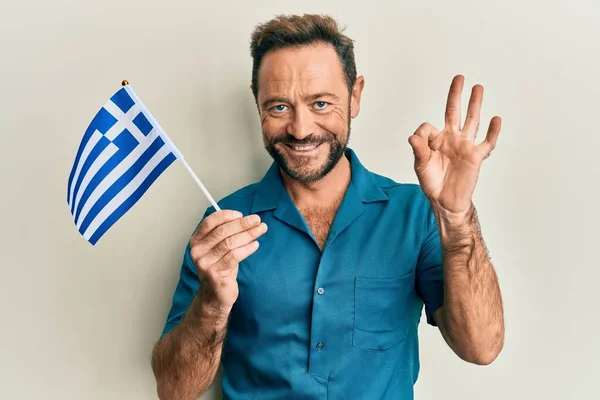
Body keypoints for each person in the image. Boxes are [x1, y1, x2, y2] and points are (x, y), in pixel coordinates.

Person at [150, 13, 505, 400]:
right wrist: (212, 304)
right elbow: (174, 390)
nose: (301, 129)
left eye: (320, 103)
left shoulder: (414, 213)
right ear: (257, 101)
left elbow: (482, 347)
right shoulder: (224, 223)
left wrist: (456, 218)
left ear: (355, 96)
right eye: (279, 107)